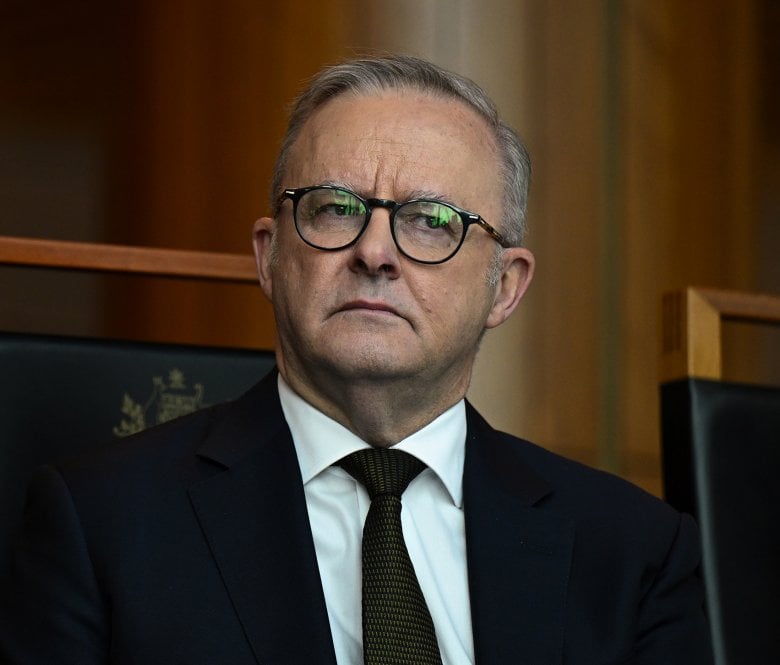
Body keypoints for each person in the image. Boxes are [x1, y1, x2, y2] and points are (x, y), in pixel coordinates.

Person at [0, 55, 712, 664]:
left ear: (504, 286)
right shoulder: (101, 525)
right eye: (335, 208)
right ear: (270, 256)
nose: (374, 252)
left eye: (431, 221)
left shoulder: (635, 552)